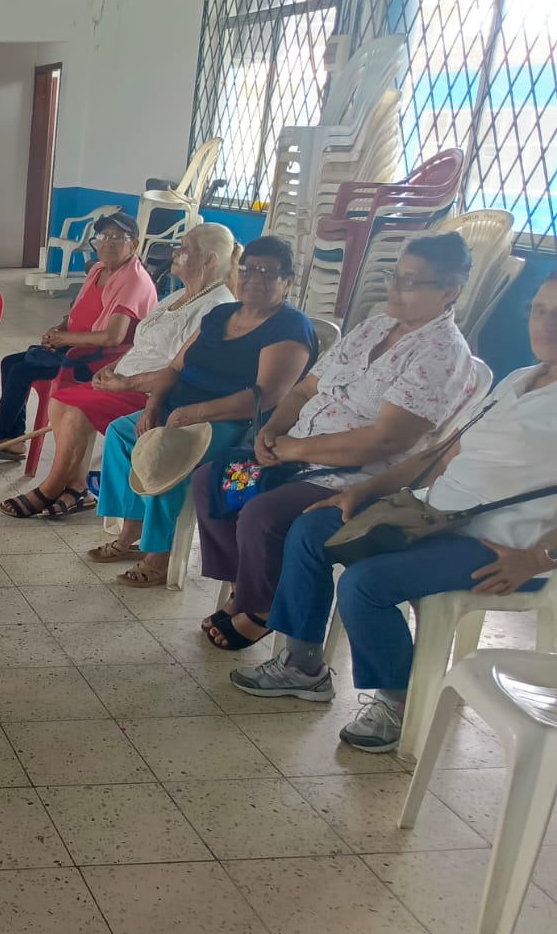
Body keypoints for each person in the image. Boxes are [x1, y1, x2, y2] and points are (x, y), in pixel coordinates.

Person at [231, 273, 557, 754]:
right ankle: (302, 664)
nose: (546, 324)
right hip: (434, 513)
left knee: (365, 585)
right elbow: (440, 456)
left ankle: (399, 701)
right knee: (312, 528)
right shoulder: (519, 380)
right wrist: (362, 493)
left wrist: (538, 559)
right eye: (540, 310)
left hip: (501, 542)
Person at [194, 233, 480, 649]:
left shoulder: (442, 354)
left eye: (410, 282)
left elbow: (384, 441)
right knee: (211, 481)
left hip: (352, 475)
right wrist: (272, 432)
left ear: (450, 291)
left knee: (262, 513)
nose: (394, 289)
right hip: (293, 453)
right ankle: (247, 585)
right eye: (394, 276)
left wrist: (294, 449)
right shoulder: (372, 328)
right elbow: (303, 390)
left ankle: (263, 607)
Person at [89, 235, 317, 587]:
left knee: (168, 450)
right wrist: (153, 405)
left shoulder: (289, 326)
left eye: (268, 273)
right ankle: (131, 531)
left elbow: (267, 395)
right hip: (181, 407)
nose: (255, 279)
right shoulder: (220, 314)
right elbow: (175, 368)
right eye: (249, 270)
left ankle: (159, 554)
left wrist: (197, 412)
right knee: (123, 432)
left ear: (287, 282)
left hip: (232, 421)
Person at [0, 224, 238, 519]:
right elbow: (141, 344)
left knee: (76, 412)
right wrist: (113, 368)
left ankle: (50, 488)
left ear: (209, 260)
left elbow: (180, 370)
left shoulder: (216, 307)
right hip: (125, 377)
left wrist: (125, 383)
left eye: (186, 247)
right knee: (60, 403)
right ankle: (76, 488)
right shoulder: (177, 296)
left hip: (154, 393)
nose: (177, 252)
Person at [0, 211, 156, 461]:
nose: (107, 243)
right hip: (74, 346)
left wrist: (66, 340)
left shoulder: (134, 280)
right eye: (103, 236)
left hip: (98, 360)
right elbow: (78, 311)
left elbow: (112, 338)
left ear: (134, 244)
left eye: (117, 237)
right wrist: (59, 330)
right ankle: (12, 440)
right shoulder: (98, 269)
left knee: (21, 371)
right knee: (10, 363)